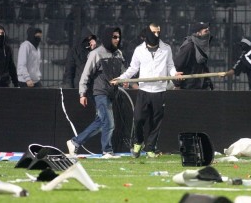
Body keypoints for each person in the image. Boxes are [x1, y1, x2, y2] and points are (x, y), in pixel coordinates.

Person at [111, 23, 183, 158]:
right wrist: (120, 79)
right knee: (138, 119)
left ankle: (150, 148)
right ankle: (138, 142)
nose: (157, 35)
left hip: (159, 90)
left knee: (155, 122)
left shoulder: (166, 49)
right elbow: (133, 68)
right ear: (148, 33)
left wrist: (175, 74)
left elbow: (170, 66)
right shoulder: (139, 50)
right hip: (144, 90)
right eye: (154, 32)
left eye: (158, 32)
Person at [67, 27, 126, 159]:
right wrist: (82, 93)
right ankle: (107, 151)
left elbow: (122, 72)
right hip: (100, 93)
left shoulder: (119, 54)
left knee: (101, 123)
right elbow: (86, 74)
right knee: (109, 123)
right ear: (107, 37)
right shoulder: (96, 53)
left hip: (111, 93)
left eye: (118, 37)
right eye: (114, 37)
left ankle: (75, 142)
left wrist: (124, 80)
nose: (117, 39)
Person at [173, 22, 213, 90]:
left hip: (200, 87)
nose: (208, 33)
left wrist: (208, 82)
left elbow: (203, 67)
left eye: (208, 30)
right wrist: (177, 84)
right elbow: (177, 65)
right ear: (198, 33)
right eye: (205, 31)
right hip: (188, 88)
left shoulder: (201, 46)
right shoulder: (189, 47)